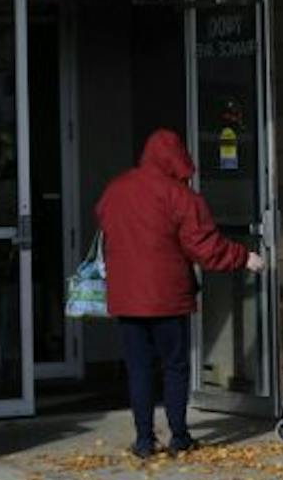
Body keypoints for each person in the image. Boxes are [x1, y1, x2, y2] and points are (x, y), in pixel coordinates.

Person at [96, 129, 264, 458]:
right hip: (168, 297)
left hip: (127, 297)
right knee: (174, 367)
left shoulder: (116, 190)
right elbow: (204, 246)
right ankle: (179, 435)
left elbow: (106, 226)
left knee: (139, 368)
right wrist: (244, 257)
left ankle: (144, 439)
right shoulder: (180, 197)